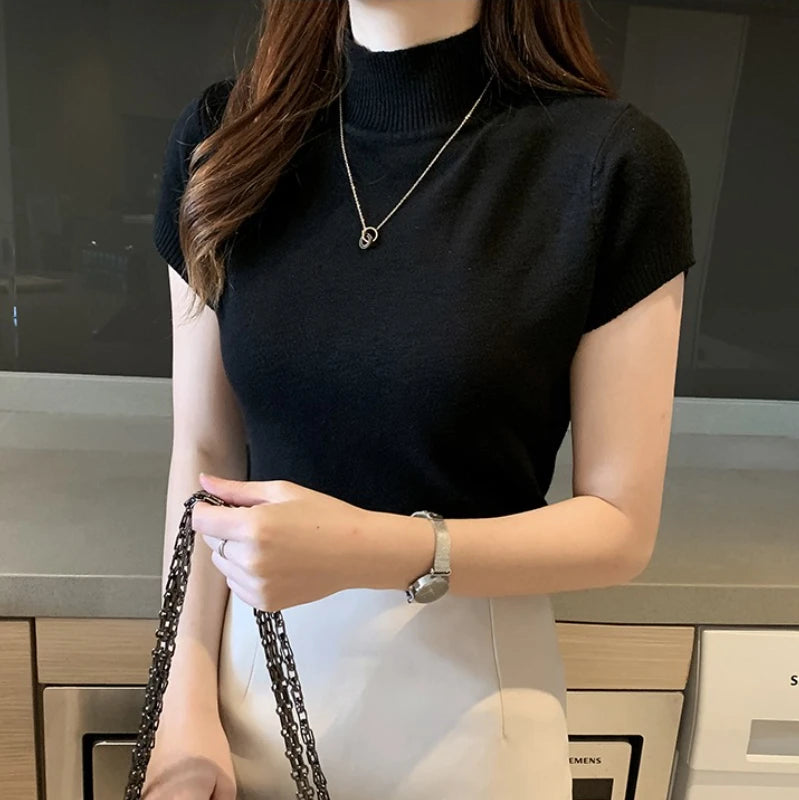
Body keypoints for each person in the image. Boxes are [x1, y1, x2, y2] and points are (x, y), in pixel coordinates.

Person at [144, 0, 695, 798]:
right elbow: (205, 455)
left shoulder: (610, 166)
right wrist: (180, 701)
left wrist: (369, 549)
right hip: (244, 704)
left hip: (472, 726)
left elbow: (620, 528)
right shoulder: (225, 141)